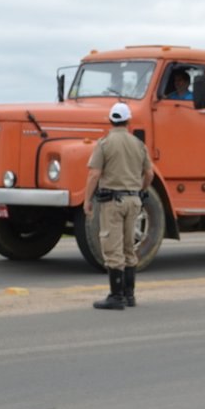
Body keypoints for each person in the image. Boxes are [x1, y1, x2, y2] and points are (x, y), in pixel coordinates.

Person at [83, 102, 154, 310]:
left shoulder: (104, 144)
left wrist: (87, 200)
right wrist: (140, 190)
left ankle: (116, 296)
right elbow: (149, 173)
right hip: (134, 201)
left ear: (110, 120)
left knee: (112, 247)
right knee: (128, 247)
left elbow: (94, 173)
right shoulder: (138, 144)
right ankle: (129, 295)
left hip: (113, 202)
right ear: (128, 120)